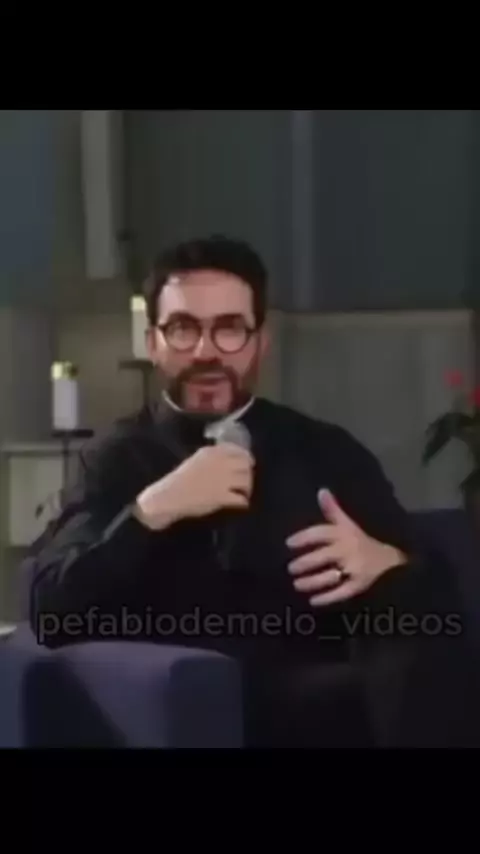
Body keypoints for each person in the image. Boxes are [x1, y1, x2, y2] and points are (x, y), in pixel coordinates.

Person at [28, 234, 480, 747]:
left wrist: (383, 560)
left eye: (230, 329)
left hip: (354, 677)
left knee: (414, 606)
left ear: (260, 341)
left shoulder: (322, 447)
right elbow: (50, 608)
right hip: (214, 691)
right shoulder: (116, 458)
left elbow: (436, 585)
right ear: (153, 343)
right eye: (183, 329)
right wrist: (152, 510)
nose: (206, 352)